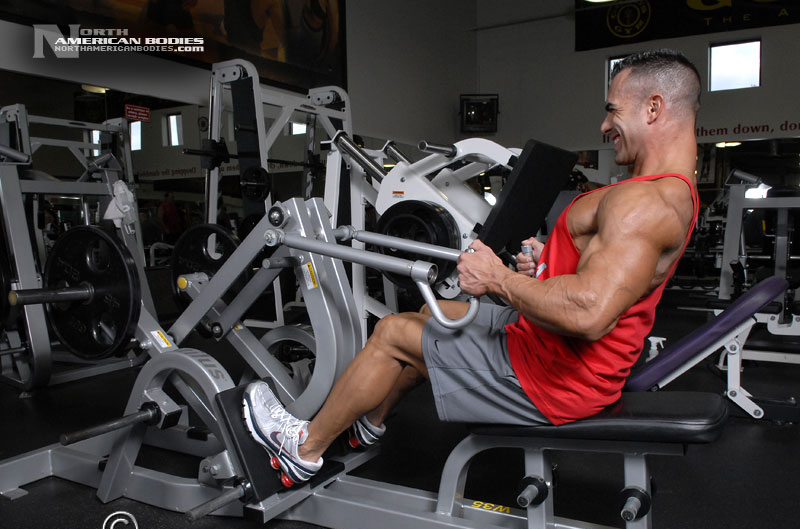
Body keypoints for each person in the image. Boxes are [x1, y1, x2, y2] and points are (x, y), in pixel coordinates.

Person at [242, 49, 703, 484]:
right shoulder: (668, 191)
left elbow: (588, 313)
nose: (604, 125)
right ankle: (370, 422)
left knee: (392, 333)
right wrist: (551, 261)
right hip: (556, 354)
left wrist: (498, 279)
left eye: (613, 110)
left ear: (653, 107)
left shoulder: (644, 203)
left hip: (554, 380)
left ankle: (302, 450)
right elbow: (616, 278)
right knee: (433, 314)